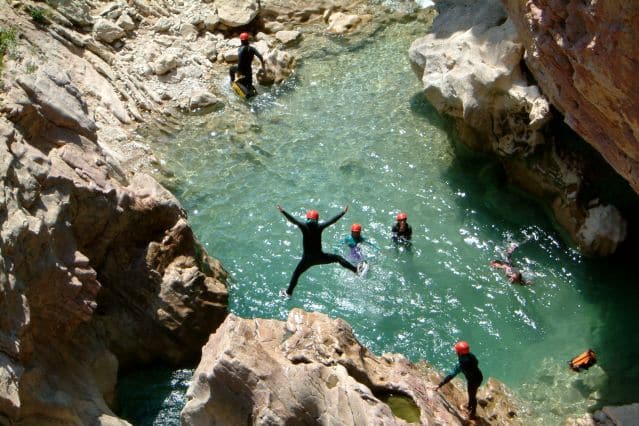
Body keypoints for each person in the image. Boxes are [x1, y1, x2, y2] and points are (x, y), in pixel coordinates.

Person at [277, 205, 358, 297]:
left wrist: (283, 211)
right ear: (317, 219)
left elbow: (293, 220)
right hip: (320, 257)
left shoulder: (304, 226)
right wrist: (342, 213)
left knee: (296, 274)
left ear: (307, 218)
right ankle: (355, 270)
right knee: (338, 258)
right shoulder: (320, 227)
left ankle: (289, 292)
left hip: (307, 260)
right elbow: (332, 221)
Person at [436, 341, 484, 420]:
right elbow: (476, 362)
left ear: (460, 353)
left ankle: (473, 413)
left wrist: (439, 385)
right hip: (478, 376)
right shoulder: (471, 356)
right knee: (472, 393)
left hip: (473, 381)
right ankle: (469, 406)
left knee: (472, 396)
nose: (456, 352)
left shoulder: (461, 366)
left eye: (457, 351)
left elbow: (451, 375)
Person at [229, 32, 265, 98]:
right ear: (248, 39)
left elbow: (240, 61)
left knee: (231, 69)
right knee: (249, 84)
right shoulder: (252, 49)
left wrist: (239, 72)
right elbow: (260, 56)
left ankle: (232, 82)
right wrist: (262, 64)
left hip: (241, 70)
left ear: (241, 40)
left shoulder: (241, 49)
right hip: (249, 70)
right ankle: (254, 93)